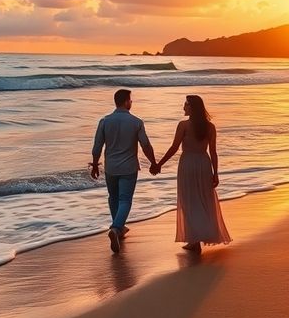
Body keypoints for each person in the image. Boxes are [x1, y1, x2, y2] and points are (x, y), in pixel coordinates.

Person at [154, 94, 231, 252]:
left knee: (188, 200)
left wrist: (159, 164)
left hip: (188, 164)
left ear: (192, 107)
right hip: (204, 164)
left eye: (186, 104)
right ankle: (199, 236)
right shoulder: (210, 127)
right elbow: (213, 152)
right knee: (203, 200)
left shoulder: (183, 125)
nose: (184, 107)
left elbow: (174, 148)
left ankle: (194, 241)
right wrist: (215, 173)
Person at [90, 88, 158, 253]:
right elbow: (146, 145)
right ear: (126, 102)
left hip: (111, 168)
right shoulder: (136, 122)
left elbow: (97, 146)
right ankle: (116, 227)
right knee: (125, 200)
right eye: (130, 99)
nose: (131, 102)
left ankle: (118, 230)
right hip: (129, 167)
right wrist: (154, 163)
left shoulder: (105, 121)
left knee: (113, 198)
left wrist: (94, 164)